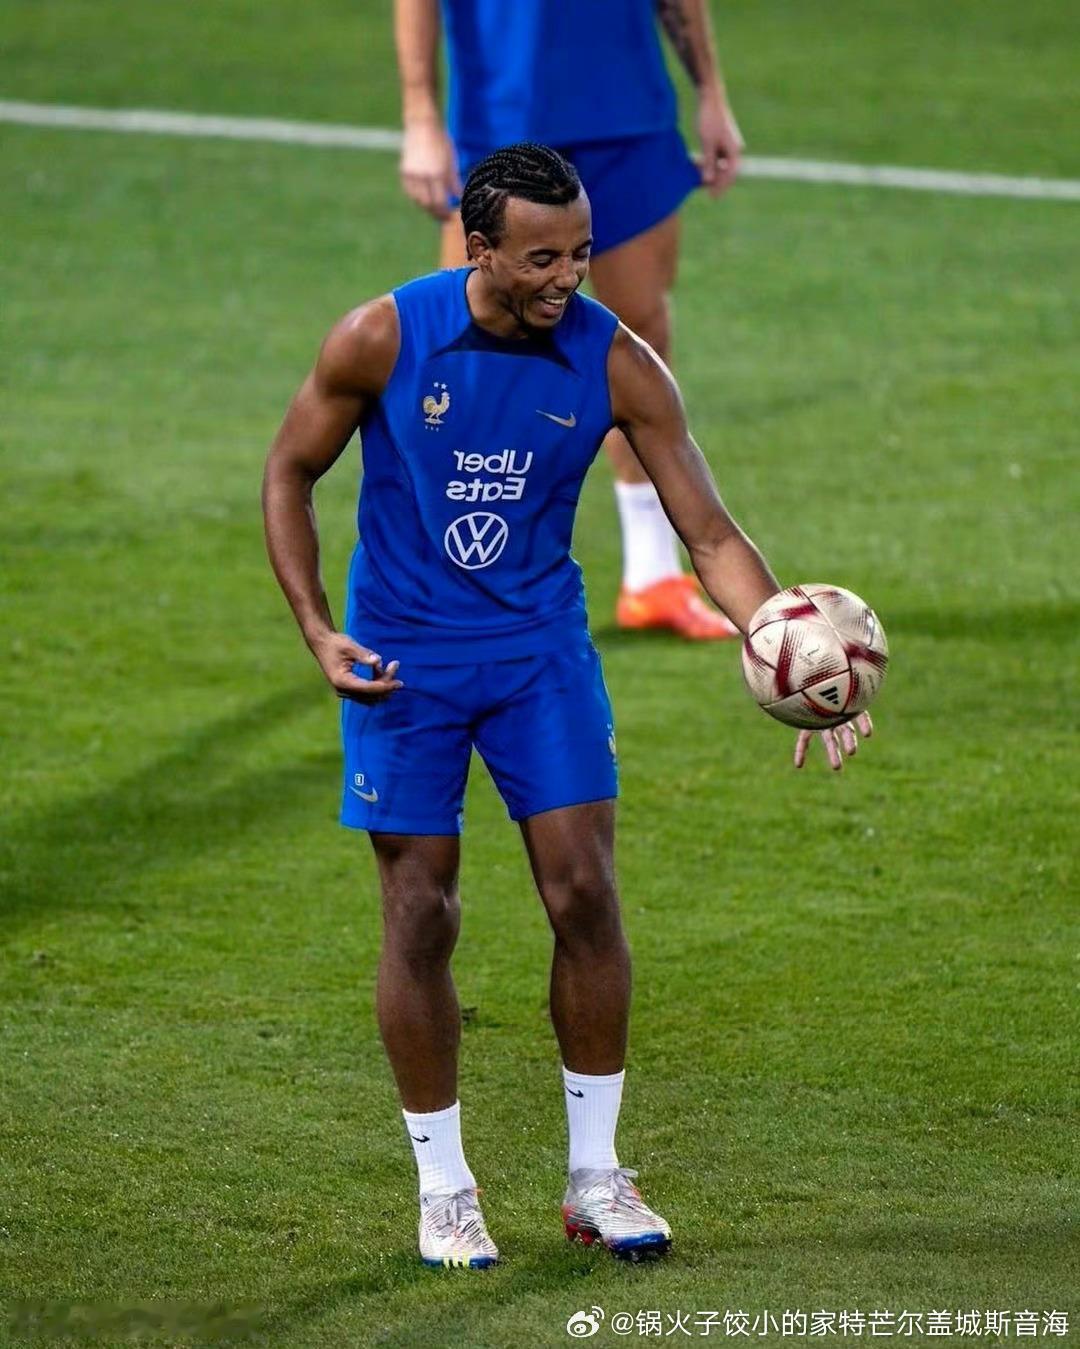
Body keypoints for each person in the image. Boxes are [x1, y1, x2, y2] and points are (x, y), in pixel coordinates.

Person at [262, 145, 873, 1269]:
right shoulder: (383, 336)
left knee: (585, 890)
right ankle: (445, 1187)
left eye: (582, 252)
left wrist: (797, 652)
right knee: (420, 911)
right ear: (478, 247)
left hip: (538, 651)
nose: (570, 276)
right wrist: (315, 624)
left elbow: (709, 533)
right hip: (403, 658)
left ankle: (596, 1174)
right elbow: (289, 470)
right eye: (543, 257)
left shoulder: (616, 360)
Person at [394, 0, 745, 640]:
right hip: (505, 116)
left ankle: (653, 576)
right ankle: (450, 578)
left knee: (640, 337)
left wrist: (711, 94)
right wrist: (420, 115)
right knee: (471, 355)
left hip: (627, 110)